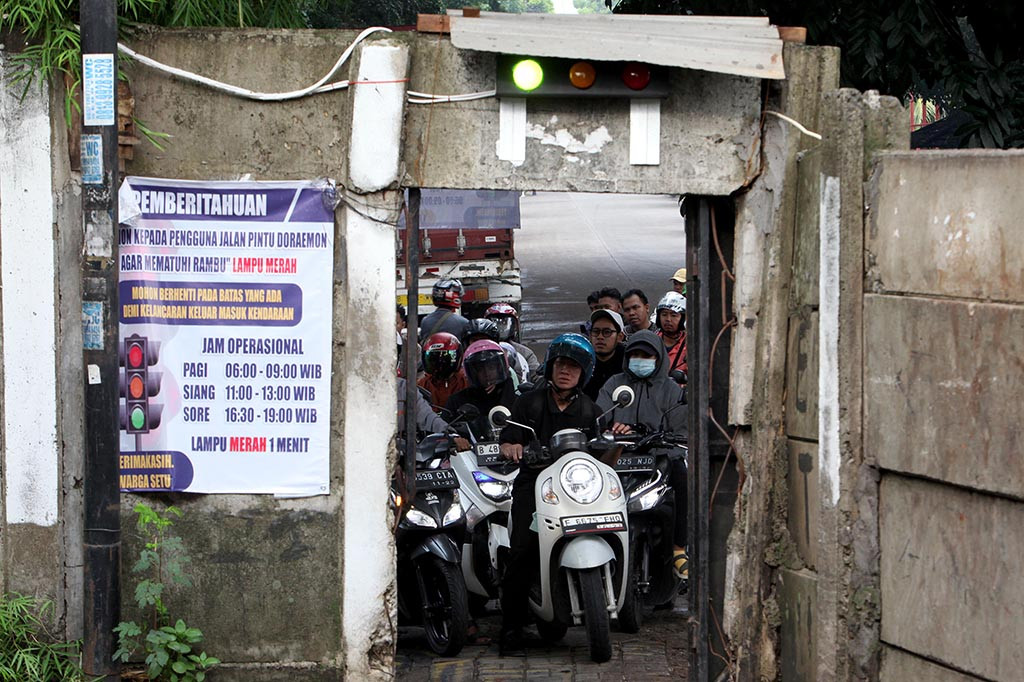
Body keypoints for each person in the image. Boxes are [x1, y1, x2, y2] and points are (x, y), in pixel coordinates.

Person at [498, 334, 600, 655]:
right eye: (560, 364)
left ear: (584, 372)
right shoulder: (528, 402)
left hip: (574, 488)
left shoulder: (590, 410)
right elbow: (507, 441)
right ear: (550, 367)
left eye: (573, 366)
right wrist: (512, 447)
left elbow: (601, 451)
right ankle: (512, 627)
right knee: (523, 550)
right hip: (535, 485)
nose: (565, 371)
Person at [596, 329, 689, 582]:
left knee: (682, 476)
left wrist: (665, 443)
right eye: (634, 354)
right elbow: (599, 417)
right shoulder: (615, 384)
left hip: (660, 457)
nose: (639, 359)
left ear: (658, 358)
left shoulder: (671, 389)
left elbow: (680, 430)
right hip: (618, 458)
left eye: (646, 355)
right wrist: (611, 430)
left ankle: (679, 547)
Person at [446, 339, 519, 441]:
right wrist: (455, 439)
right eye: (480, 369)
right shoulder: (457, 401)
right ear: (472, 372)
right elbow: (445, 432)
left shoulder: (516, 401)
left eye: (491, 367)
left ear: (500, 367)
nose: (487, 373)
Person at [417, 333, 468, 412]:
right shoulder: (423, 384)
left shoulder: (465, 381)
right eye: (434, 359)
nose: (440, 365)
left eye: (445, 360)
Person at [583, 309, 626, 401]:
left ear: (620, 337)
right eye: (596, 331)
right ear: (590, 336)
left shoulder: (627, 363)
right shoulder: (583, 362)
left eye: (607, 332)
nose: (600, 337)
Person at [485, 303, 540, 376]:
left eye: (505, 323)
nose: (501, 328)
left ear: (515, 326)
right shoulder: (481, 352)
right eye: (496, 323)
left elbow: (536, 376)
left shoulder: (525, 353)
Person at [655, 292, 687, 380]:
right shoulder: (652, 341)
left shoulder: (691, 345)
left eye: (674, 315)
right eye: (664, 315)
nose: (668, 319)